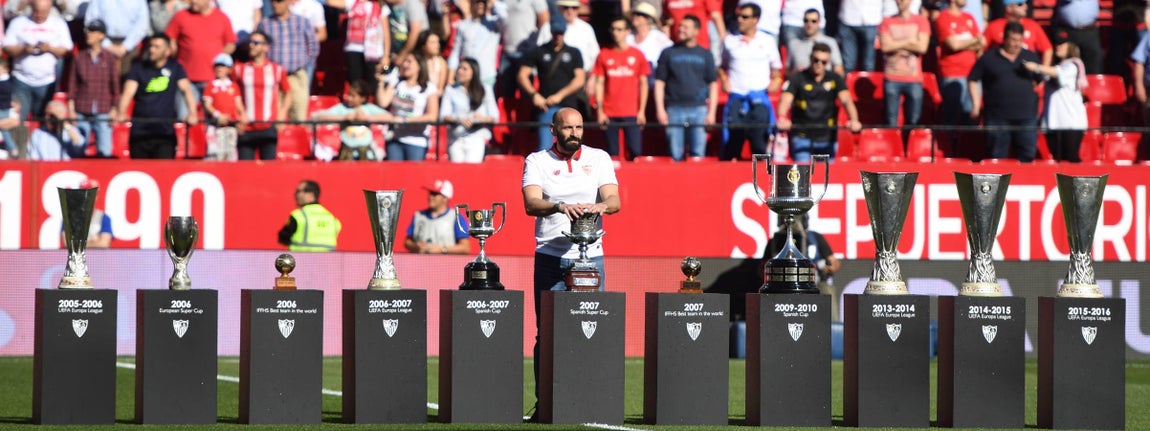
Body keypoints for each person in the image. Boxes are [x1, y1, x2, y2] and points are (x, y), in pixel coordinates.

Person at [521, 107, 620, 413]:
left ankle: (591, 402)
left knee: (592, 329)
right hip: (550, 256)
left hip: (591, 258)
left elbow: (615, 201)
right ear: (554, 130)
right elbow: (530, 203)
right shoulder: (536, 160)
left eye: (578, 127)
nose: (574, 133)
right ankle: (546, 404)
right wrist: (560, 207)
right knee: (547, 334)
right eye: (568, 128)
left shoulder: (599, 157)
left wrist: (598, 207)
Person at [115, 35, 200, 159]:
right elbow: (128, 92)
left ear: (167, 52)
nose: (152, 50)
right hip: (140, 132)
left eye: (157, 47)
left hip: (165, 133)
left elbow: (186, 90)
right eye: (151, 46)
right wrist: (121, 112)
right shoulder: (138, 68)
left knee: (164, 173)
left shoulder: (175, 67)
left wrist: (192, 113)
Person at [968, 21, 1042, 162]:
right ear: (1004, 38)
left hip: (1026, 117)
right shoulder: (989, 57)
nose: (1016, 44)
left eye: (1020, 40)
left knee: (1028, 157)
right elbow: (972, 79)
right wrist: (976, 106)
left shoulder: (1030, 56)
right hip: (997, 118)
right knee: (997, 157)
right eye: (1013, 40)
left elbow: (1039, 80)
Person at [777, 43, 862, 161]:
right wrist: (782, 117)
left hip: (827, 138)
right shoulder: (798, 77)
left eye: (824, 62)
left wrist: (854, 119)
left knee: (825, 177)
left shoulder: (835, 79)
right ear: (811, 58)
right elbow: (786, 99)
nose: (819, 64)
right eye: (816, 60)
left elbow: (846, 100)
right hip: (802, 137)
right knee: (803, 176)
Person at [719, 4, 782, 161]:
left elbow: (777, 71)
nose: (740, 20)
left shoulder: (767, 41)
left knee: (760, 146)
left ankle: (760, 180)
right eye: (738, 16)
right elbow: (721, 66)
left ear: (756, 19)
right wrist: (724, 79)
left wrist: (776, 81)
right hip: (737, 99)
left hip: (759, 100)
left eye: (745, 17)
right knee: (732, 146)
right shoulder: (729, 41)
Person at [654, 15, 717, 161]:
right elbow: (659, 83)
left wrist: (711, 112)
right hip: (674, 109)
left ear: (696, 31)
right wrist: (660, 110)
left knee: (698, 155)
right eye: (680, 26)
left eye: (686, 27)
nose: (681, 29)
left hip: (699, 110)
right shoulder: (668, 53)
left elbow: (713, 84)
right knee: (675, 155)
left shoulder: (705, 54)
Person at [519, 19, 586, 152]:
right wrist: (534, 95)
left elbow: (580, 79)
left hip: (568, 103)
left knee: (572, 143)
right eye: (555, 33)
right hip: (546, 104)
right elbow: (522, 75)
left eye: (560, 33)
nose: (558, 36)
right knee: (544, 145)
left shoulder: (573, 52)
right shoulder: (539, 51)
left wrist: (559, 95)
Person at [165, 0, 238, 120]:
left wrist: (218, 59)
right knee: (185, 117)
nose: (192, 1)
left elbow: (230, 43)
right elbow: (170, 39)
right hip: (186, 79)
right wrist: (174, 52)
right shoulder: (181, 16)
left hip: (212, 80)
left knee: (214, 119)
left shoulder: (221, 18)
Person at [2, 0, 73, 122]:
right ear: (31, 8)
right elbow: (7, 47)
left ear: (50, 10)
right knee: (19, 121)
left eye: (44, 12)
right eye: (36, 11)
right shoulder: (18, 23)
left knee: (41, 120)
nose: (39, 15)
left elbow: (67, 50)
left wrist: (50, 49)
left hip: (47, 81)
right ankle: (21, 141)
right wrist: (23, 49)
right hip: (21, 80)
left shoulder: (58, 24)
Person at [762, 215, 842, 319]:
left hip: (815, 282)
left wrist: (830, 267)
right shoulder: (776, 240)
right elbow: (762, 267)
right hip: (783, 284)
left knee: (826, 291)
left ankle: (833, 327)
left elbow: (834, 262)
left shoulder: (815, 238)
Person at [593, 17, 649, 160]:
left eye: (619, 29)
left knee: (635, 152)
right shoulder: (604, 54)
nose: (615, 33)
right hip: (610, 111)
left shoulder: (637, 55)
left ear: (627, 32)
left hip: (632, 111)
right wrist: (600, 111)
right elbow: (599, 83)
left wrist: (641, 111)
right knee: (612, 154)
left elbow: (643, 84)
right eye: (613, 29)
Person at [935, 0, 985, 153]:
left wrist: (964, 42)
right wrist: (973, 41)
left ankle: (967, 153)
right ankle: (949, 151)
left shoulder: (969, 17)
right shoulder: (943, 17)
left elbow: (982, 42)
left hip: (972, 77)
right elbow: (952, 45)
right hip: (952, 75)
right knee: (951, 117)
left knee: (971, 117)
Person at [67, 20, 121, 159]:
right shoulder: (79, 57)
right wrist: (71, 110)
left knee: (105, 151)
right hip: (81, 109)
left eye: (93, 31)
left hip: (103, 109)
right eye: (88, 31)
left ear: (101, 36)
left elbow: (115, 86)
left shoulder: (109, 58)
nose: (89, 34)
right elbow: (72, 86)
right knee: (77, 149)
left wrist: (115, 109)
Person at [258, 0, 318, 123]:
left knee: (299, 117)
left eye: (279, 1)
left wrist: (303, 65)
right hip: (274, 78)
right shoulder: (265, 24)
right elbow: (260, 50)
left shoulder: (302, 22)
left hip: (296, 75)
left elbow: (313, 47)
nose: (275, 4)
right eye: (272, 1)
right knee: (275, 118)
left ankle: (299, 141)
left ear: (288, 2)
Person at [1030, 32, 1087, 163]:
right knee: (1058, 161)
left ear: (1070, 46)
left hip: (1071, 123)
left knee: (1071, 160)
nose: (1058, 47)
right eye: (1056, 44)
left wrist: (1036, 67)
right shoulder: (1055, 66)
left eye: (1062, 44)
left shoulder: (1075, 64)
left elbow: (1057, 73)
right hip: (1054, 122)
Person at [234, 31, 290, 160]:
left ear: (266, 47)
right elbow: (234, 93)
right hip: (246, 127)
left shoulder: (277, 70)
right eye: (250, 42)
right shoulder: (239, 69)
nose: (251, 46)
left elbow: (287, 92)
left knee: (269, 171)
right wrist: (239, 114)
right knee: (245, 170)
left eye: (256, 43)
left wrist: (282, 114)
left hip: (268, 127)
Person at [377, 53, 439, 161]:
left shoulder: (429, 88)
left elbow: (432, 116)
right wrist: (381, 82)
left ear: (420, 65)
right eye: (404, 61)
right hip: (395, 139)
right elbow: (383, 102)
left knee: (413, 176)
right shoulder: (397, 83)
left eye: (409, 62)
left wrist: (405, 120)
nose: (405, 65)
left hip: (416, 141)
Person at [879, 0, 931, 128]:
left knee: (914, 121)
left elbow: (922, 47)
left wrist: (895, 43)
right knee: (890, 121)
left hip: (913, 78)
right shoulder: (887, 22)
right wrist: (910, 41)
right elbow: (885, 46)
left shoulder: (921, 21)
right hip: (892, 77)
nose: (899, 1)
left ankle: (909, 147)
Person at [311, 80, 393, 160]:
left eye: (353, 96)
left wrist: (367, 118)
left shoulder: (368, 108)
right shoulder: (342, 108)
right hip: (347, 153)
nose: (349, 98)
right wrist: (343, 118)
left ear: (363, 98)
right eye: (348, 95)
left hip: (366, 154)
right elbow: (319, 116)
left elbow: (389, 117)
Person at [441, 57, 498, 163]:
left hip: (476, 137)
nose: (460, 71)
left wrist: (482, 119)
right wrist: (459, 119)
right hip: (456, 138)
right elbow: (443, 115)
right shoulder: (451, 89)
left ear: (474, 71)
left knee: (472, 171)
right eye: (459, 68)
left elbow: (494, 116)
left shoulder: (485, 89)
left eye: (464, 69)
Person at [328, 0, 392, 90]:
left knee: (372, 82)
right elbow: (331, 2)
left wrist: (386, 55)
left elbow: (386, 33)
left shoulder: (380, 6)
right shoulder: (353, 2)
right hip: (354, 47)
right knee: (355, 82)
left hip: (373, 50)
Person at [448, 0, 502, 93]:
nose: (480, 5)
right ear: (471, 4)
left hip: (486, 76)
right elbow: (455, 52)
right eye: (477, 2)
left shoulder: (494, 23)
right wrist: (450, 76)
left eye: (482, 2)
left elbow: (505, 16)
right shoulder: (463, 25)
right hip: (466, 77)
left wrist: (493, 2)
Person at [84, 0, 150, 75]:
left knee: (129, 77)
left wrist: (125, 46)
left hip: (129, 45)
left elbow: (142, 25)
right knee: (101, 78)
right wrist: (108, 45)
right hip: (102, 42)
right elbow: (91, 21)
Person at [403, 179, 470, 254]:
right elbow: (407, 242)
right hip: (419, 263)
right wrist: (416, 246)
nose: (431, 197)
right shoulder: (418, 215)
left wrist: (443, 249)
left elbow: (465, 248)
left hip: (446, 264)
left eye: (435, 194)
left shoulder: (456, 218)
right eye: (430, 193)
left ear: (445, 198)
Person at [202, 53, 246, 161]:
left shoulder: (233, 86)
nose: (219, 69)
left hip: (231, 125)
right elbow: (207, 104)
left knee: (231, 152)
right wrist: (218, 115)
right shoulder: (211, 85)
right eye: (217, 66)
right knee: (215, 152)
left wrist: (243, 116)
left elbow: (238, 103)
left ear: (229, 69)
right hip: (216, 125)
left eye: (223, 66)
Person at [277, 179, 342, 251]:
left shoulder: (298, 216)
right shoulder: (332, 218)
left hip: (301, 259)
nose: (295, 194)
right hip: (328, 260)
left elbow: (283, 238)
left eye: (299, 191)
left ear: (311, 194)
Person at [983, 0, 1052, 67]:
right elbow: (981, 49)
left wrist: (1043, 73)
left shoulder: (1032, 25)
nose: (1026, 7)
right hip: (1001, 71)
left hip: (1026, 72)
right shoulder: (994, 26)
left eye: (1025, 3)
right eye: (1020, 4)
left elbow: (1047, 50)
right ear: (1008, 8)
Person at [786, 8, 844, 76]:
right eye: (806, 21)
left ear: (819, 22)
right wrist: (795, 73)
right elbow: (786, 71)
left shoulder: (830, 42)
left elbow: (839, 70)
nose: (809, 24)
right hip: (800, 83)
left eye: (813, 21)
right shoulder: (794, 44)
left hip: (823, 84)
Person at [60, 179, 115, 249]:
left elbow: (104, 244)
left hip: (98, 259)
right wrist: (94, 240)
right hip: (76, 259)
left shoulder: (104, 218)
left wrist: (78, 242)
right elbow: (67, 244)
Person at [837, 0, 883, 73]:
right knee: (848, 64)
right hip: (848, 18)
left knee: (868, 65)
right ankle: (847, 83)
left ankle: (866, 84)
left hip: (871, 19)